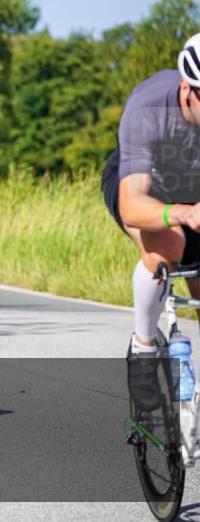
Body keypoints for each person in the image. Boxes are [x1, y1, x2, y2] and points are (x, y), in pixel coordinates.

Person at [103, 33, 200, 368]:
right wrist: (184, 214)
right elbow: (133, 204)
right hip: (143, 187)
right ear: (187, 89)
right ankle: (144, 348)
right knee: (167, 245)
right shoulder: (149, 108)